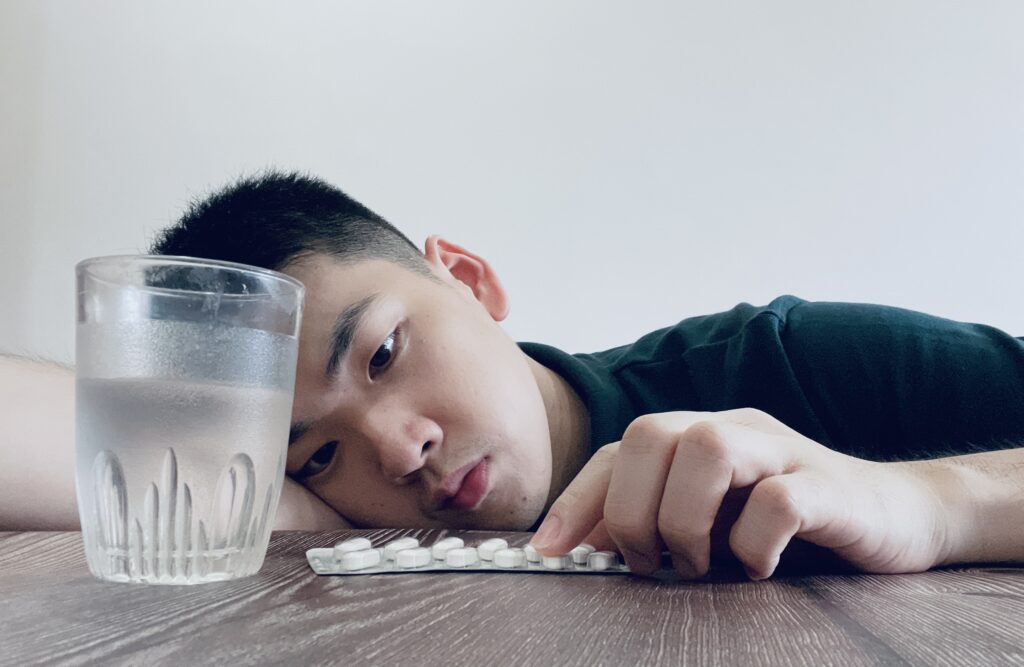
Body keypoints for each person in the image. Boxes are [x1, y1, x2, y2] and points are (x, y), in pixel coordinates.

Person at [4, 171, 1023, 581]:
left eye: (384, 354)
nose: (397, 448)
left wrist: (924, 500)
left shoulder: (789, 362)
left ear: (470, 278)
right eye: (317, 449)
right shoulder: (341, 517)